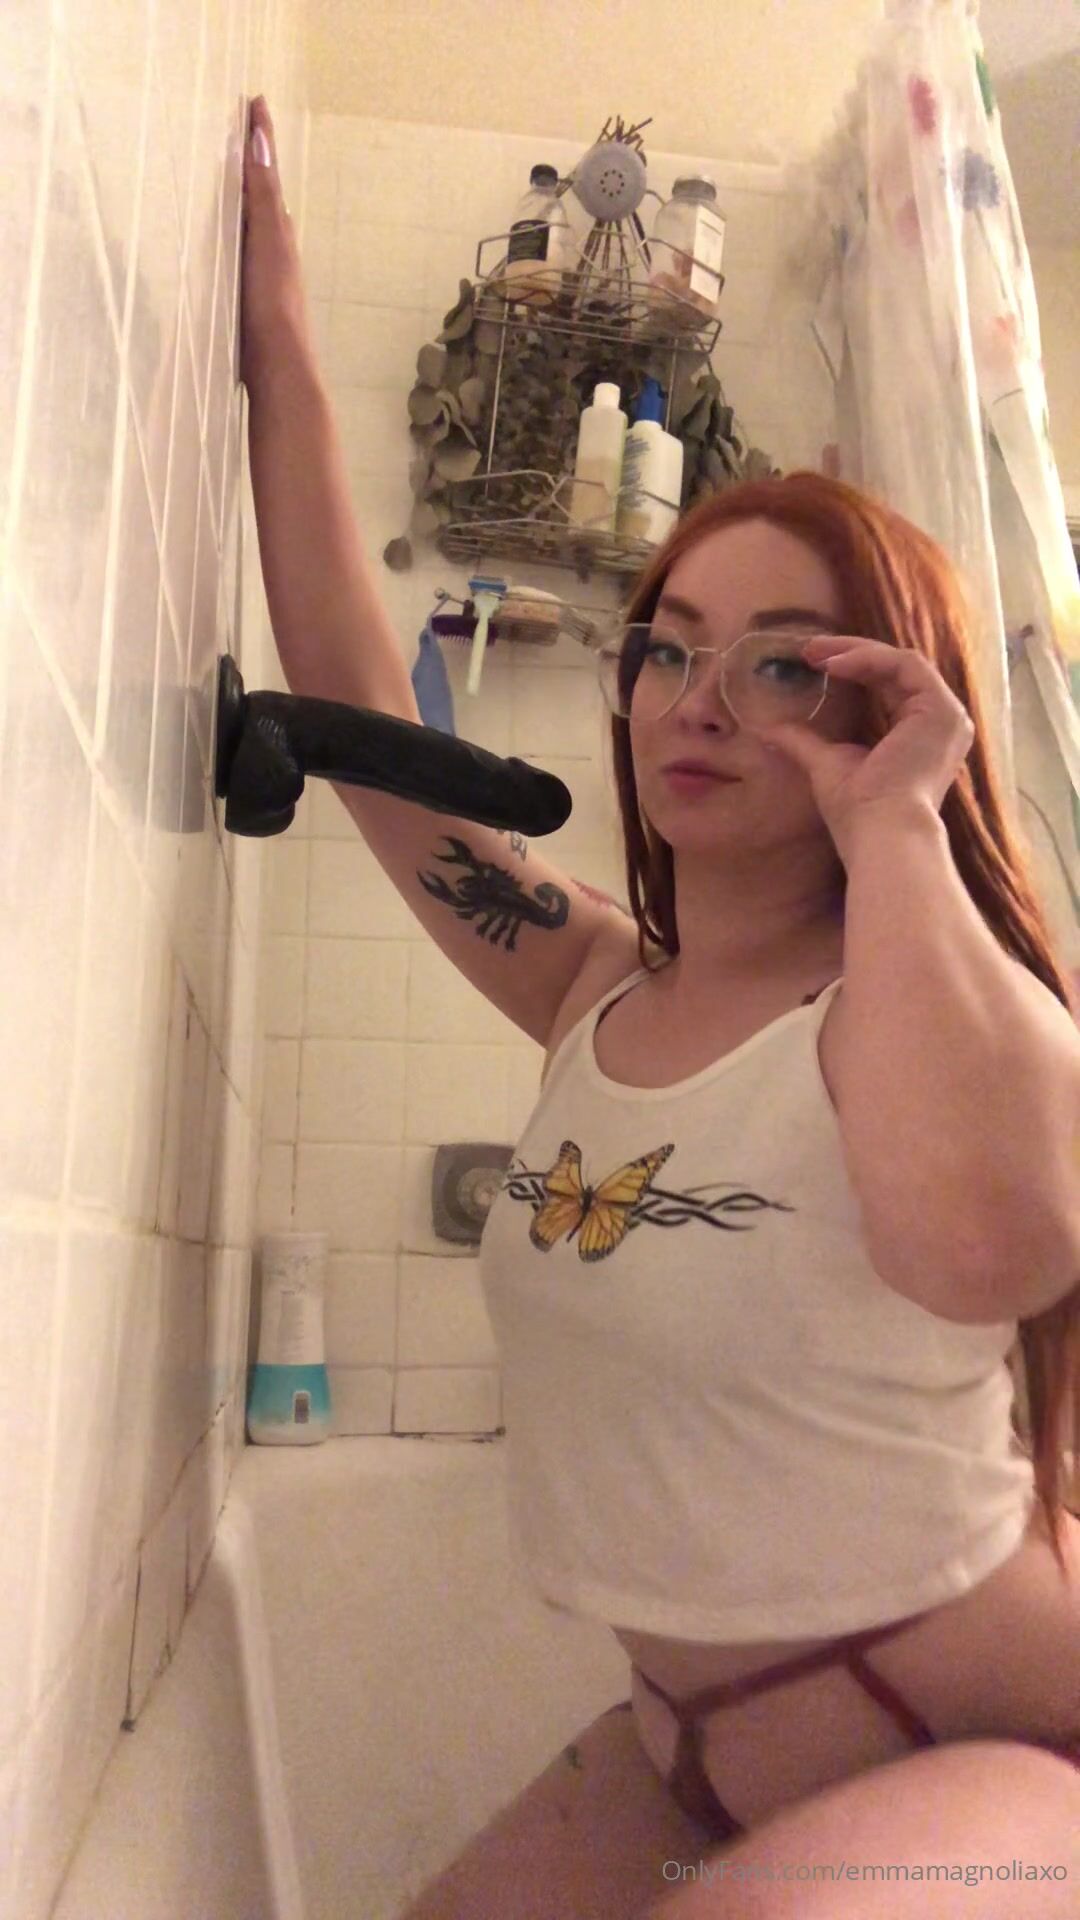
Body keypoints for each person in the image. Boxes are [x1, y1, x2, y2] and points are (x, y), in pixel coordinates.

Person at [240, 96, 1080, 1920]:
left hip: (1009, 1745)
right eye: (671, 648)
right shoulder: (589, 980)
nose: (699, 699)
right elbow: (362, 720)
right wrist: (276, 350)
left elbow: (993, 1245)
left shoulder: (922, 1003)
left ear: (891, 704)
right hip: (681, 1736)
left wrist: (899, 823)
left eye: (782, 663)